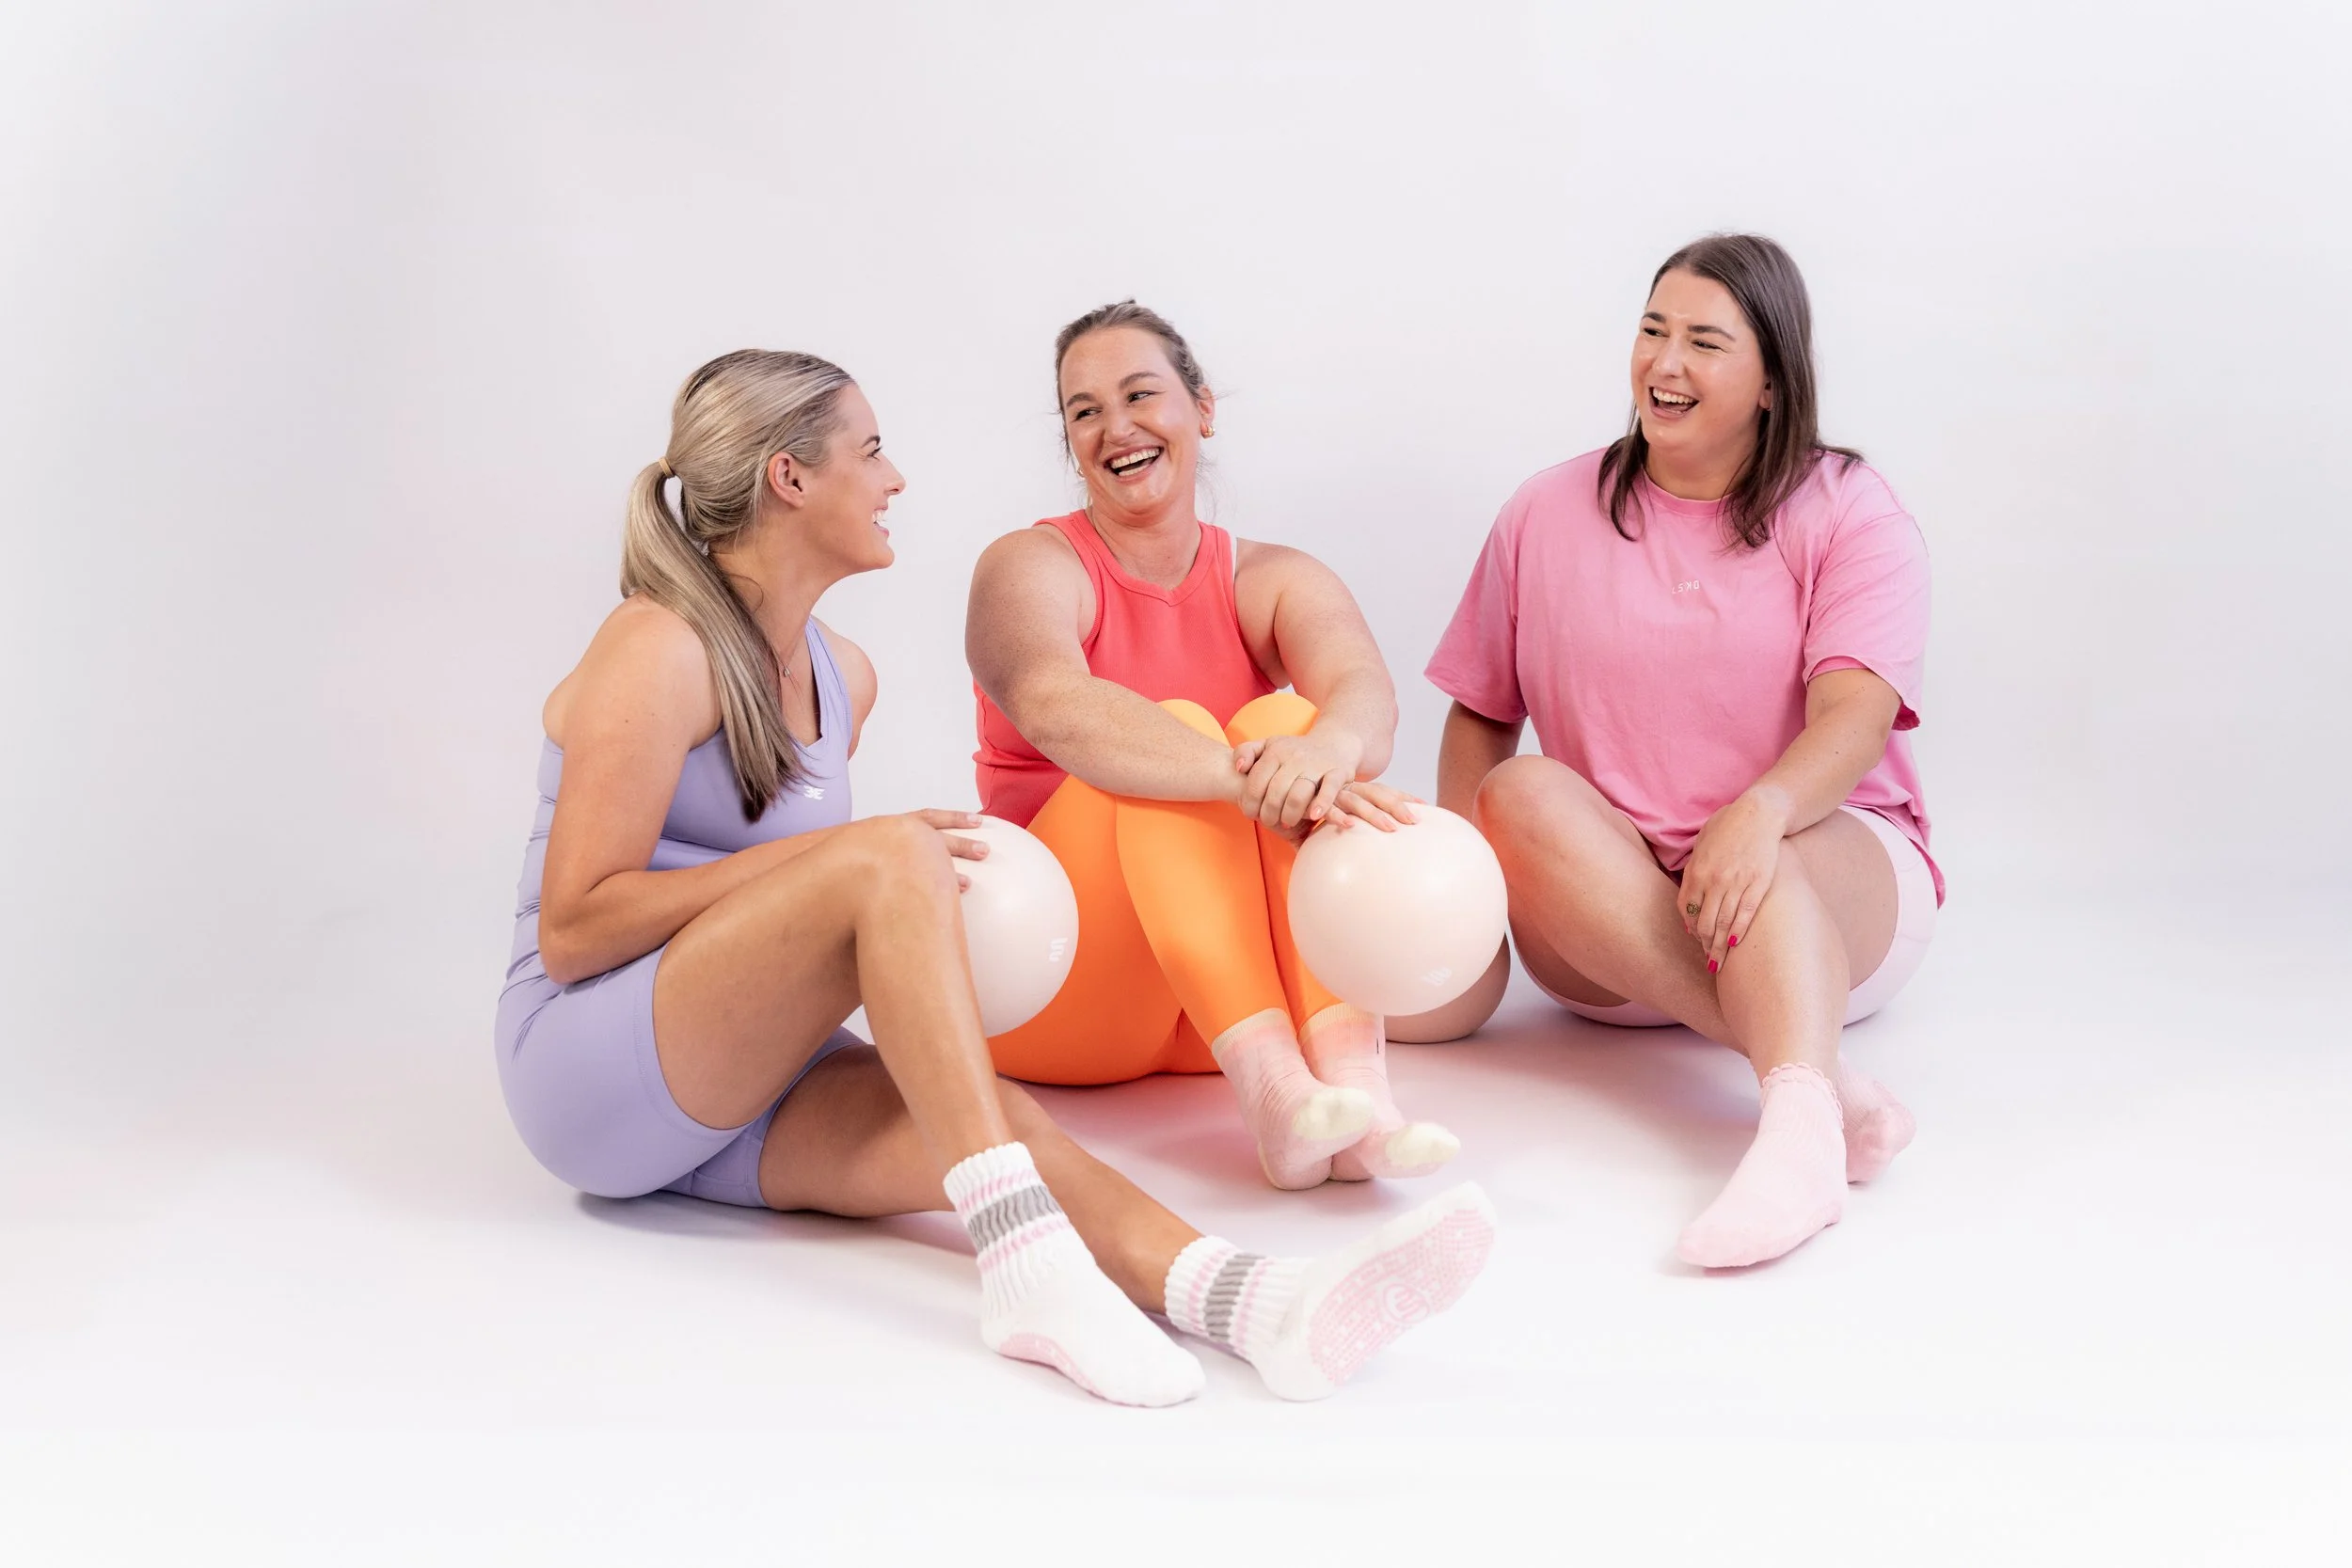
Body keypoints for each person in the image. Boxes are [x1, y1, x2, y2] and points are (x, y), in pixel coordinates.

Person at [494, 350, 1495, 1405]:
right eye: (871, 450)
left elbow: (783, 921)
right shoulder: (657, 645)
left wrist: (847, 867)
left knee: (995, 1121)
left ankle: (1254, 1300)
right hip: (591, 1065)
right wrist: (844, 856)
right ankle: (1024, 1269)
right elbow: (575, 926)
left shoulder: (845, 676)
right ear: (791, 478)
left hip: (739, 1079)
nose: (895, 479)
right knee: (890, 852)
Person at [1418, 235, 1938, 1268]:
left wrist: (1757, 813)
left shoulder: (1849, 510)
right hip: (1608, 919)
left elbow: (1852, 714)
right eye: (1653, 329)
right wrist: (1458, 910)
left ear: (1771, 385)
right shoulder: (1545, 509)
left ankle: (1794, 1137)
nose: (1664, 363)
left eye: (1704, 341)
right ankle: (1820, 1080)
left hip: (1815, 880)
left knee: (1773, 852)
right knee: (1515, 792)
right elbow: (1482, 714)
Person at [966, 303, 1454, 1189]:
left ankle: (1351, 1092)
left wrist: (1321, 752)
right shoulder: (1030, 565)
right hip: (1060, 990)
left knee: (1292, 727)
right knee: (1194, 732)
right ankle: (1275, 1092)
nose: (1116, 428)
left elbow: (1365, 703)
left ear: (1202, 407)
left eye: (1139, 394)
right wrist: (1251, 784)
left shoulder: (1270, 577)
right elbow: (1052, 703)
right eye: (1084, 411)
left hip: (1217, 1005)